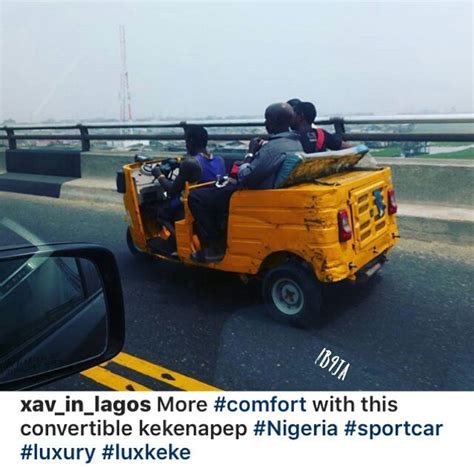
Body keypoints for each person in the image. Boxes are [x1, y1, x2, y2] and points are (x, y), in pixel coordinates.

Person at [188, 102, 303, 263]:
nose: (265, 123)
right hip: (269, 186)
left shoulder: (273, 148)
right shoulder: (295, 142)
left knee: (196, 197)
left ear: (276, 120)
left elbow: (246, 176)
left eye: (267, 119)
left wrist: (250, 154)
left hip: (255, 192)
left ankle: (214, 246)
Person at [152, 125, 225, 224]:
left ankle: (177, 238)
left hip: (193, 204)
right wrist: (179, 164)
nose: (186, 145)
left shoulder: (190, 163)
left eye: (186, 142)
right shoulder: (220, 160)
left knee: (161, 212)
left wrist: (158, 174)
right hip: (212, 203)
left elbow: (171, 190)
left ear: (191, 141)